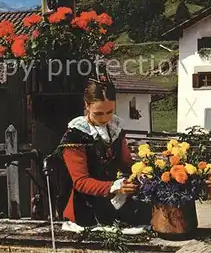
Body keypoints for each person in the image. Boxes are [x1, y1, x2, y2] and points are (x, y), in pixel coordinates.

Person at [55, 66, 151, 228]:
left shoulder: (115, 129)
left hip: (112, 200)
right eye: (98, 113)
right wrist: (114, 186)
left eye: (109, 112)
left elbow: (126, 163)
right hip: (84, 206)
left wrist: (142, 173)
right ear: (87, 105)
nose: (105, 118)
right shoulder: (76, 135)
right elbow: (81, 182)